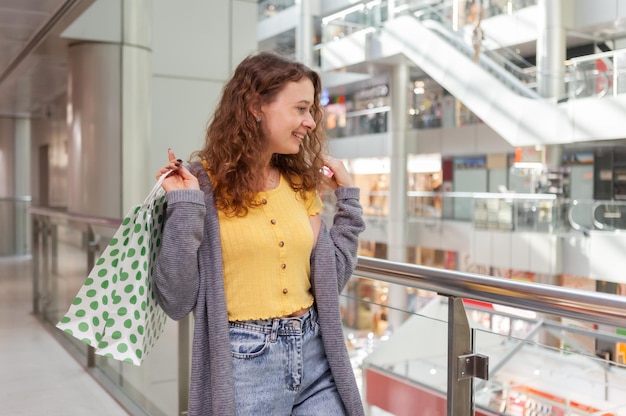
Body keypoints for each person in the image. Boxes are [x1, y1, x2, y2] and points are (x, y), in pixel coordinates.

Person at [153, 51, 366, 416]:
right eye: (300, 109)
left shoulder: (300, 182)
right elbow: (175, 299)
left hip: (317, 352)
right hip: (245, 360)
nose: (311, 122)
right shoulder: (198, 183)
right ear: (255, 106)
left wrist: (348, 202)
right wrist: (185, 208)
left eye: (311, 110)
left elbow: (332, 277)